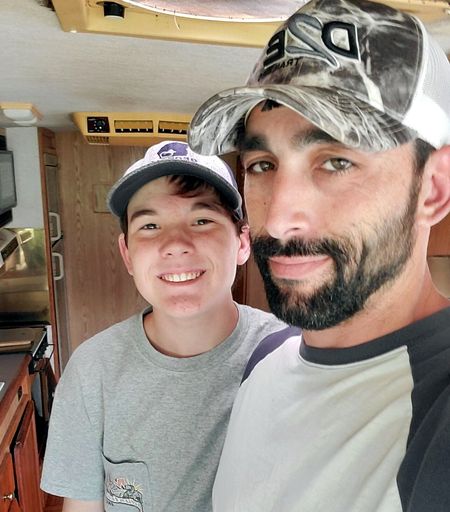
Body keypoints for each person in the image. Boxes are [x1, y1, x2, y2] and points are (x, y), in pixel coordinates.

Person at [188, 0, 450, 509]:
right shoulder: (265, 363)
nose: (277, 220)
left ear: (434, 188)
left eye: (335, 162)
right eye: (262, 164)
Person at [40, 140, 286, 512]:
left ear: (242, 243)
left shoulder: (290, 357)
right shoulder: (92, 371)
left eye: (201, 220)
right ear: (127, 254)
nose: (175, 244)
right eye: (150, 225)